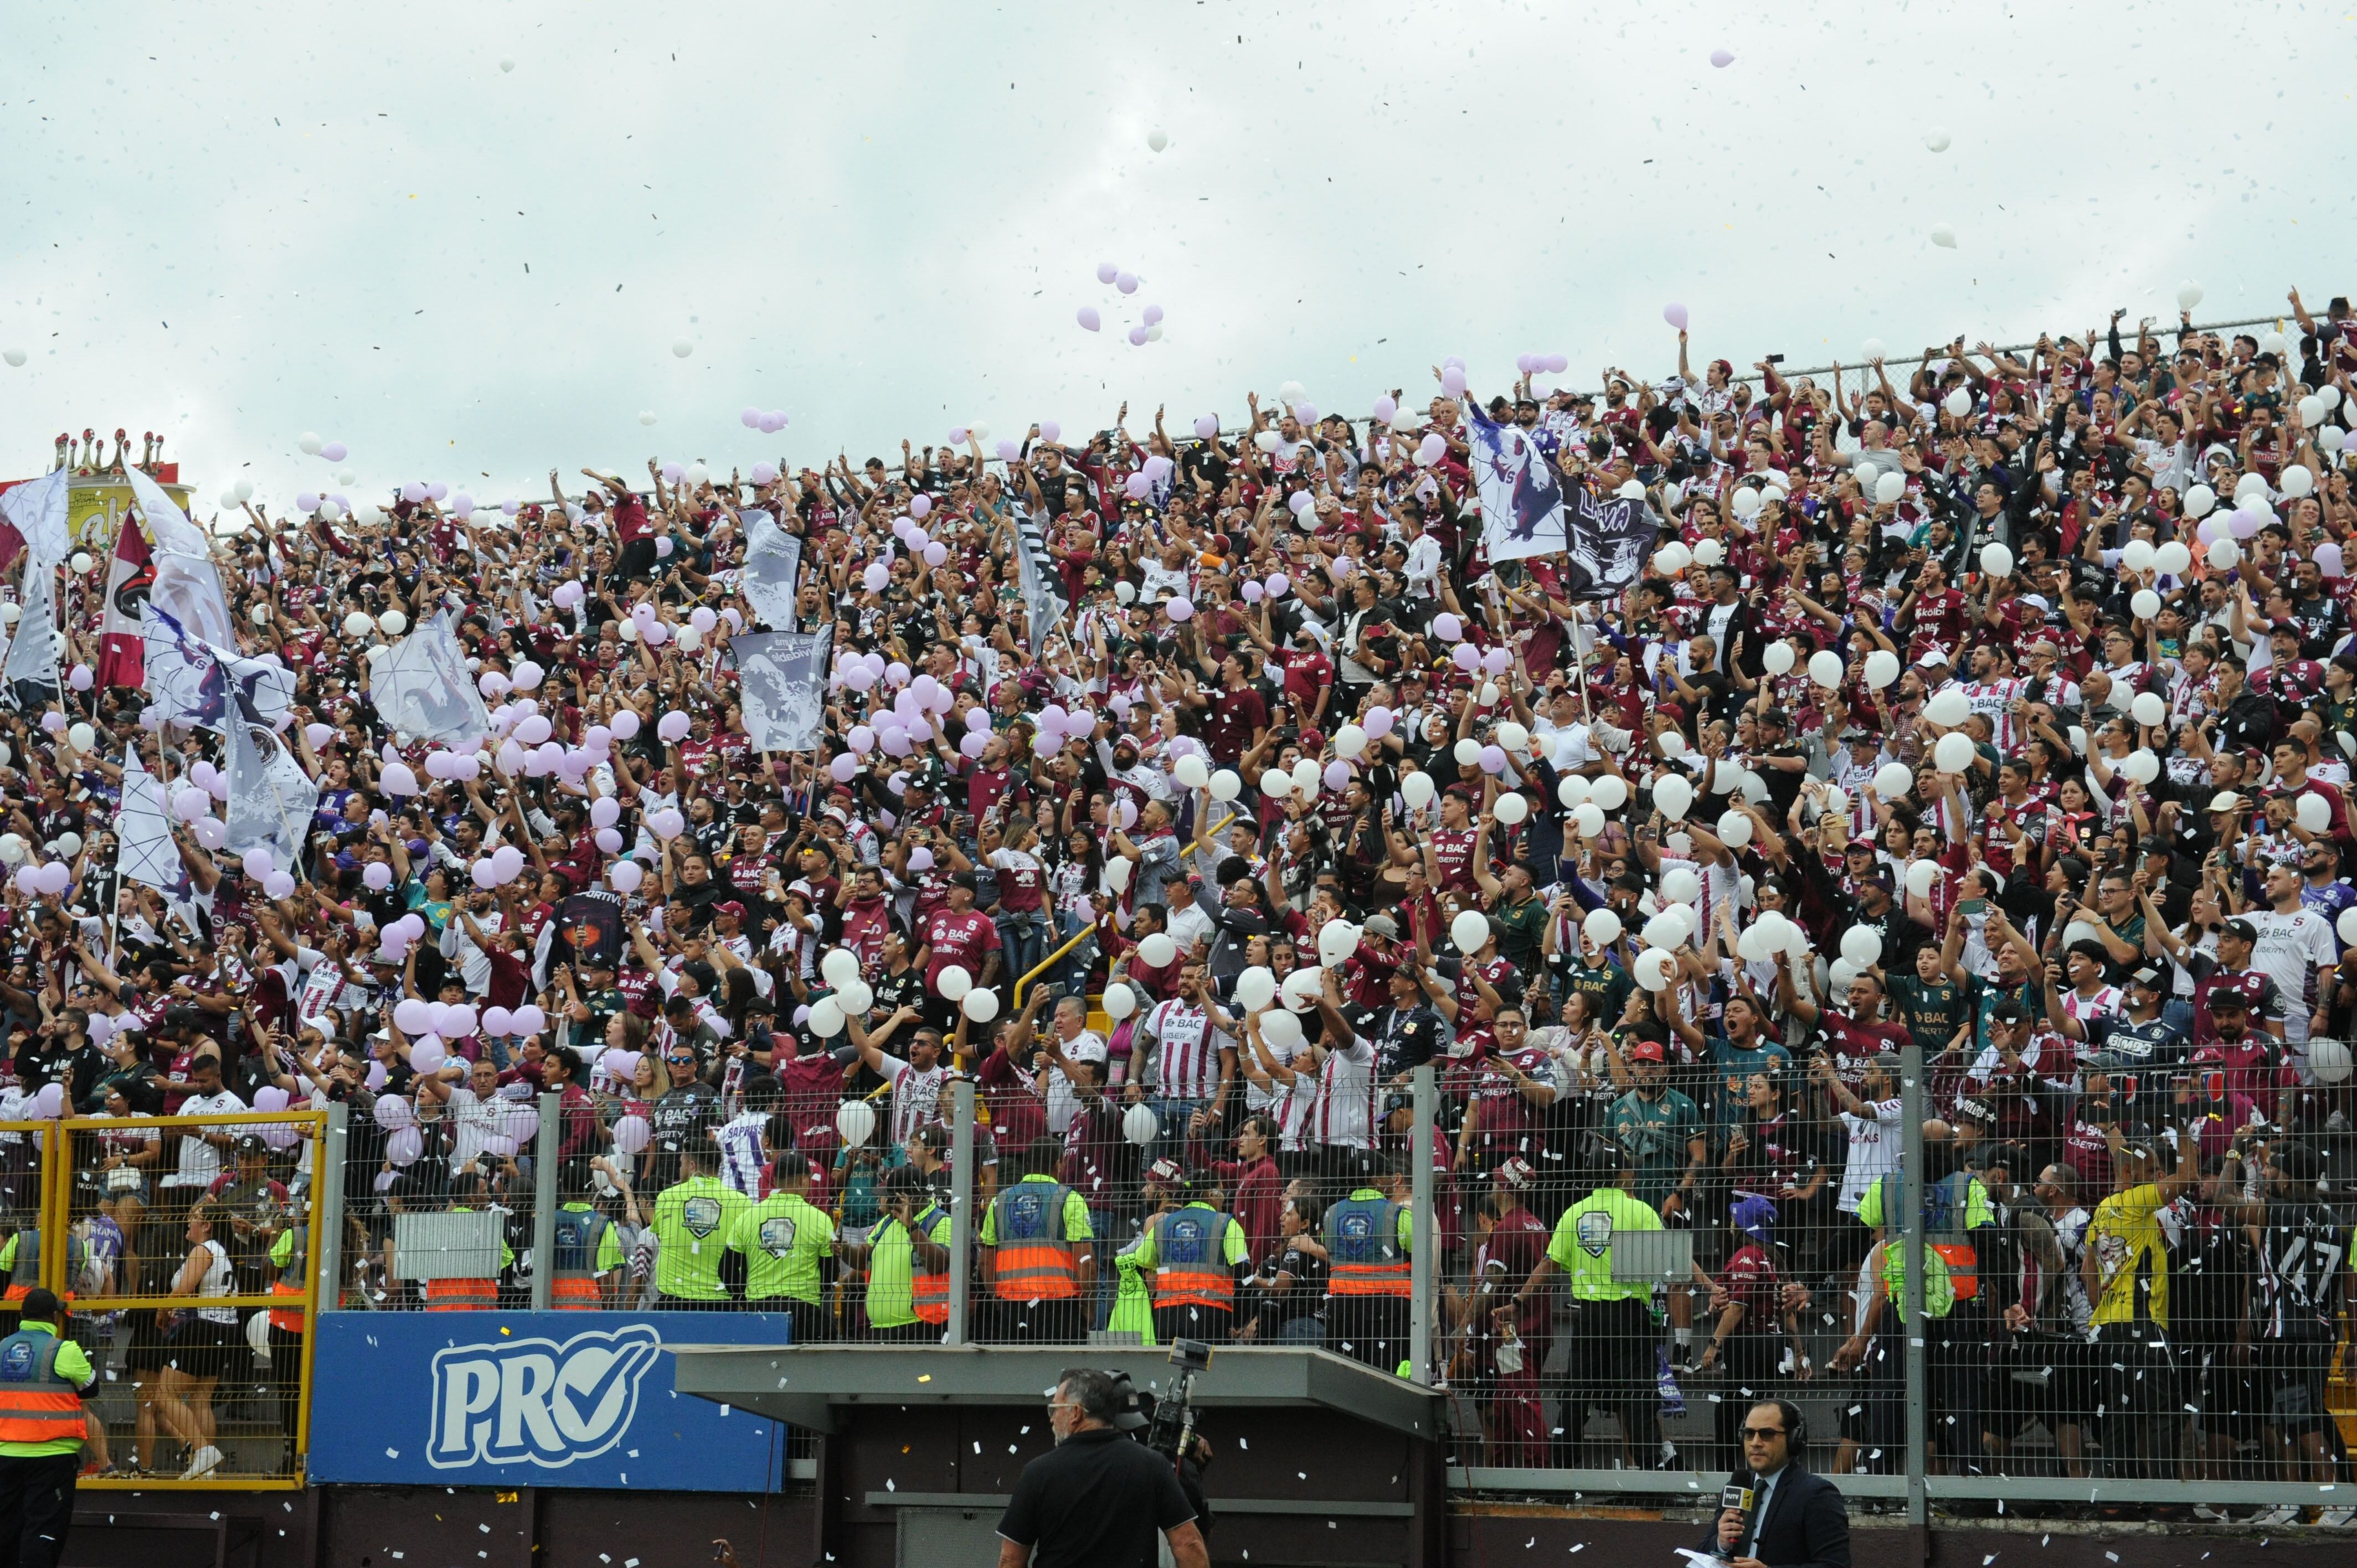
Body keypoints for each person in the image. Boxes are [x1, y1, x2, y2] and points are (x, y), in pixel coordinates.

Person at [996, 1368, 1208, 1568]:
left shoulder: (1038, 1473)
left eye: (1055, 1409)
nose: (1052, 1418)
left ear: (1076, 1413)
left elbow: (1011, 1560)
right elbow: (1188, 1544)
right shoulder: (1153, 1466)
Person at [0, 1288, 94, 1568]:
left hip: (6, 1454)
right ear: (55, 1316)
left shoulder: (2, 1347)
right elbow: (91, 1388)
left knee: (6, 1529)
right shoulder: (64, 1349)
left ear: (21, 1315)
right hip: (52, 1457)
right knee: (43, 1530)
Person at [1705, 1399, 1851, 1568]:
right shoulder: (1737, 1486)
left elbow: (1836, 1565)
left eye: (1767, 1434)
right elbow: (1702, 1551)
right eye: (1749, 1434)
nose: (1755, 1443)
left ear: (1793, 1439)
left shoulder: (1818, 1494)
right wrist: (1721, 1543)